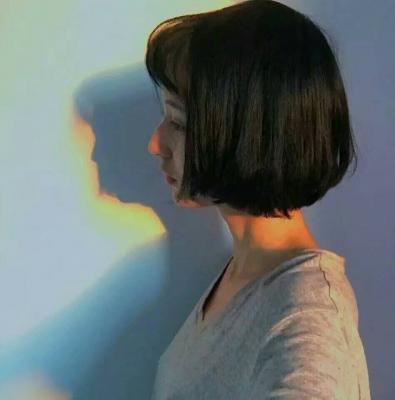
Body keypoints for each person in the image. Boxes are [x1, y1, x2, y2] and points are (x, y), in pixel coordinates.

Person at [146, 1, 371, 398]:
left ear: (251, 131)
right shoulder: (242, 275)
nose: (155, 144)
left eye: (178, 122)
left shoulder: (309, 320)